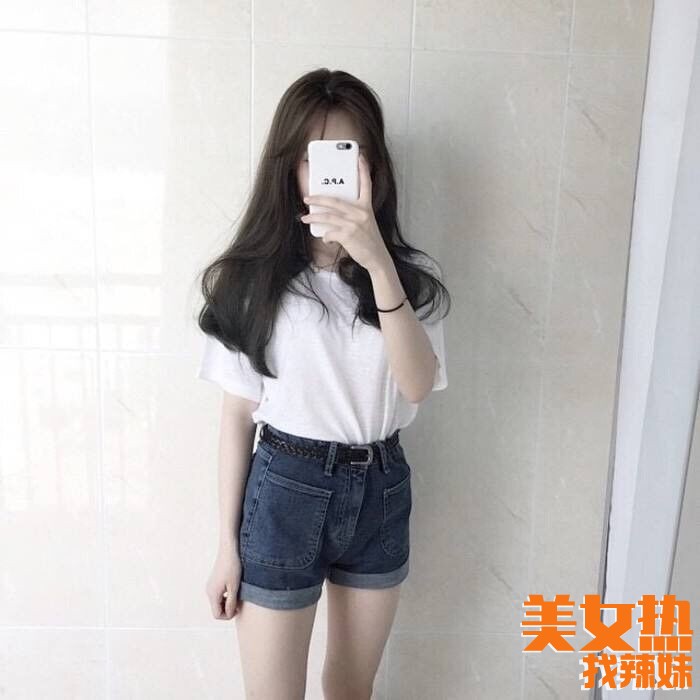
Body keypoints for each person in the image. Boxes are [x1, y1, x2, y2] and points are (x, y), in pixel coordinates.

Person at [194, 68, 450, 700]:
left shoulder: (410, 278)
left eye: (347, 154)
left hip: (381, 485)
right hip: (286, 487)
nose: (329, 175)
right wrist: (226, 547)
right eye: (314, 158)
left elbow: (417, 384)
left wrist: (377, 262)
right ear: (290, 169)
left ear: (373, 168)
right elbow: (236, 418)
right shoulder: (252, 281)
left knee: (351, 689)